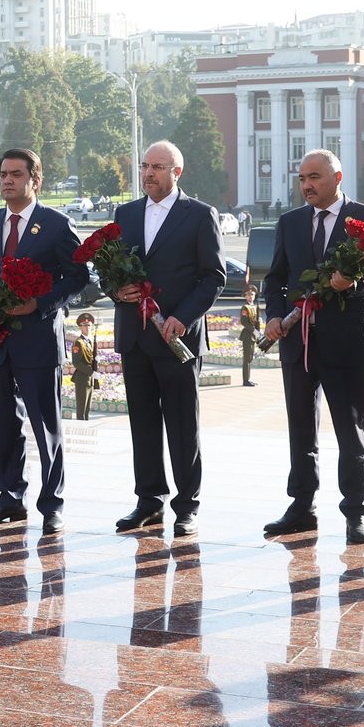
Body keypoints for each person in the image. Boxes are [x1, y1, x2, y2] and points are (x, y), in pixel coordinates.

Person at [261, 150, 364, 546]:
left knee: (350, 431)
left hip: (347, 343)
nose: (306, 185)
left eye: (315, 177)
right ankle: (302, 507)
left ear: (337, 178)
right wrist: (274, 314)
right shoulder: (290, 222)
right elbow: (276, 278)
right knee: (301, 429)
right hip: (298, 343)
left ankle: (356, 512)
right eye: (302, 178)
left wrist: (354, 284)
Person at [110, 141, 227, 538]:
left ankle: (187, 506)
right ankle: (149, 501)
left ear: (177, 172)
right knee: (142, 423)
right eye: (145, 165)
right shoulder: (125, 214)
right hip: (135, 337)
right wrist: (116, 291)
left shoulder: (200, 215)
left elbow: (213, 276)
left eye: (157, 167)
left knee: (182, 426)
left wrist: (183, 317)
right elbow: (110, 271)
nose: (148, 173)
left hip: (177, 338)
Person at [0, 150, 87, 534]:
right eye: (3, 173)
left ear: (35, 180)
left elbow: (78, 278)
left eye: (16, 174)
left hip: (38, 339)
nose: (7, 180)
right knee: (4, 425)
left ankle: (52, 504)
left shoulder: (56, 224)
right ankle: (9, 497)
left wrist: (39, 303)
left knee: (45, 425)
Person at [70, 312, 99, 420]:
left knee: (87, 409)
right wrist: (91, 372)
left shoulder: (89, 341)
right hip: (82, 379)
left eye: (89, 325)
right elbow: (76, 363)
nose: (87, 328)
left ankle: (85, 423)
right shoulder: (79, 342)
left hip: (89, 379)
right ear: (80, 327)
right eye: (85, 325)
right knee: (81, 409)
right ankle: (80, 427)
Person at [237, 285, 260, 386]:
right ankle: (245, 380)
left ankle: (248, 378)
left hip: (253, 335)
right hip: (247, 334)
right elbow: (244, 322)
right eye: (248, 295)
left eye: (252, 295)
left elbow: (257, 320)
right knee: (247, 358)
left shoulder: (255, 306)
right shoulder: (245, 307)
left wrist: (258, 331)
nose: (250, 297)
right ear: (245, 296)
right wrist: (253, 330)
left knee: (250, 358)